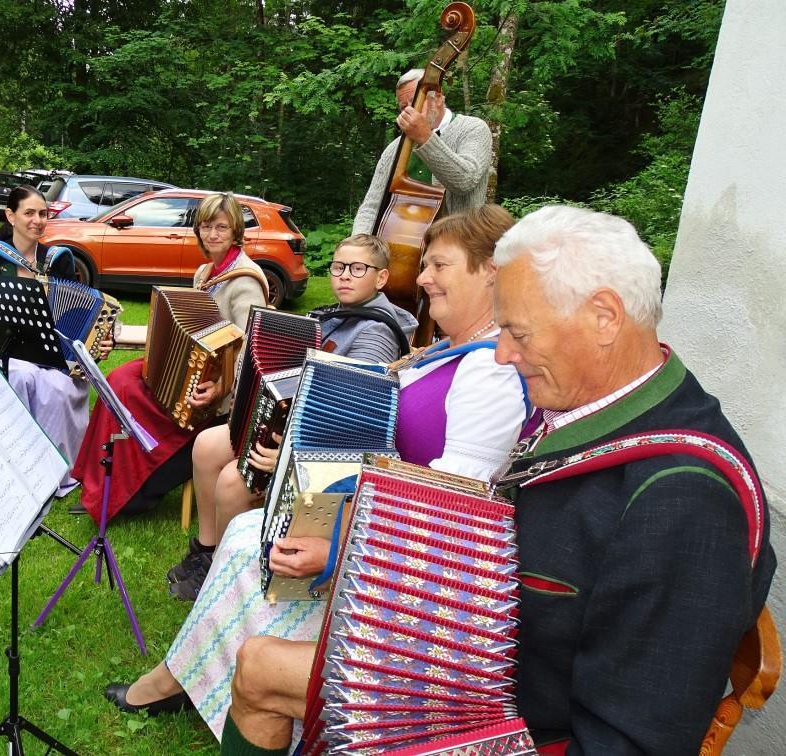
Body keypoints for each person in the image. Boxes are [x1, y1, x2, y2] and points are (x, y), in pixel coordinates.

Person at [218, 206, 776, 756]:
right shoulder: (596, 412)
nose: (504, 355)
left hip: (510, 720)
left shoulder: (684, 501)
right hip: (490, 657)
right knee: (265, 658)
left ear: (604, 317)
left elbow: (631, 740)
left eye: (518, 332)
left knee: (262, 668)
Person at [105, 206, 529, 743]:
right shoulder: (449, 351)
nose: (422, 278)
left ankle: (200, 682)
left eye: (438, 266)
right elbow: (381, 441)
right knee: (246, 534)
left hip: (399, 566)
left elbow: (448, 509)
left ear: (491, 271)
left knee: (249, 543)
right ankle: (198, 676)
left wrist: (335, 548)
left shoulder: (491, 372)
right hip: (370, 516)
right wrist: (295, 452)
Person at [167, 233, 418, 601]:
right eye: (338, 267)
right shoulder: (330, 317)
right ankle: (207, 550)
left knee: (233, 480)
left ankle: (223, 572)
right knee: (207, 445)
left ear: (381, 278)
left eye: (357, 269)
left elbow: (348, 416)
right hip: (287, 426)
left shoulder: (378, 332)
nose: (344, 276)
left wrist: (288, 454)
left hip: (321, 450)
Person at [70, 192, 269, 522]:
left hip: (215, 396)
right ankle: (101, 481)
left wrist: (220, 386)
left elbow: (251, 350)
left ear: (236, 231)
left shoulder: (246, 280)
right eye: (206, 226)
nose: (213, 234)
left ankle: (127, 494)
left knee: (128, 392)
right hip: (193, 370)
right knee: (119, 380)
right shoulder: (205, 272)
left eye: (221, 227)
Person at [0, 184, 98, 496]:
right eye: (29, 213)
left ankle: (55, 469)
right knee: (24, 376)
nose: (37, 220)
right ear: (11, 216)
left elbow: (74, 312)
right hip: (3, 349)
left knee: (63, 386)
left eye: (43, 213)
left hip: (48, 350)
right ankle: (19, 466)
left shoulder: (58, 259)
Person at [352, 68, 492, 235]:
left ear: (438, 97)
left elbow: (465, 181)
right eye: (403, 107)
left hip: (461, 242)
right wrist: (359, 243)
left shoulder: (473, 128)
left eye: (415, 103)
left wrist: (425, 138)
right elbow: (371, 207)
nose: (408, 112)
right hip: (402, 243)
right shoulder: (394, 148)